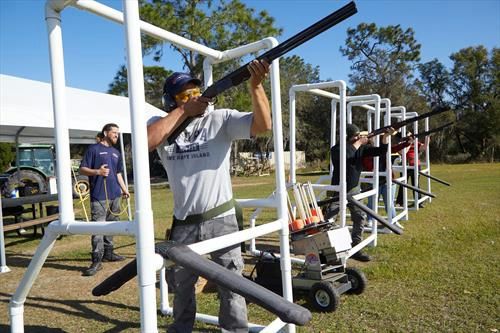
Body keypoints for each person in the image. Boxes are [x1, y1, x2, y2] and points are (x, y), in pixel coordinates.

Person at [147, 60, 271, 333]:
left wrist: (256, 85)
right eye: (184, 95)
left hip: (221, 217)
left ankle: (235, 330)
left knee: (232, 284)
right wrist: (183, 111)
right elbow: (147, 141)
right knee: (181, 285)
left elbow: (262, 125)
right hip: (183, 221)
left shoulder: (220, 118)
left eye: (195, 93)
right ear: (172, 101)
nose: (192, 98)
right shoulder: (161, 123)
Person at [326, 124, 395, 262]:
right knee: (329, 218)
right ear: (348, 137)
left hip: (354, 188)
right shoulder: (337, 149)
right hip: (338, 189)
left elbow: (381, 151)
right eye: (356, 136)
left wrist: (386, 137)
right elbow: (346, 157)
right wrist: (358, 143)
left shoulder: (360, 148)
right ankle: (326, 248)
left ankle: (356, 246)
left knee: (359, 217)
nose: (359, 137)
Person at [79, 123, 130, 276]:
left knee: (112, 226)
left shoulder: (116, 152)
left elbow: (118, 173)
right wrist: (98, 172)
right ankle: (96, 260)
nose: (117, 135)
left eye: (118, 133)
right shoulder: (93, 149)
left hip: (115, 195)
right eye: (114, 132)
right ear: (106, 133)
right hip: (99, 196)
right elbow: (82, 169)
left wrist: (124, 189)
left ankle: (109, 253)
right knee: (98, 228)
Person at [362, 134, 413, 228]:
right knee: (372, 202)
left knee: (389, 203)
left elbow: (395, 148)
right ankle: (370, 220)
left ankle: (393, 220)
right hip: (373, 180)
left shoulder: (385, 148)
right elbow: (366, 164)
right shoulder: (366, 149)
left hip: (388, 179)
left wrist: (407, 143)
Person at [395, 133, 425, 207]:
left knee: (416, 184)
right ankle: (400, 202)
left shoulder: (416, 143)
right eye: (409, 136)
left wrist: (427, 138)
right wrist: (408, 143)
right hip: (405, 165)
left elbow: (423, 148)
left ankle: (419, 202)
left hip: (415, 165)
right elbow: (402, 152)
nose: (411, 137)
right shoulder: (401, 144)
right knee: (403, 184)